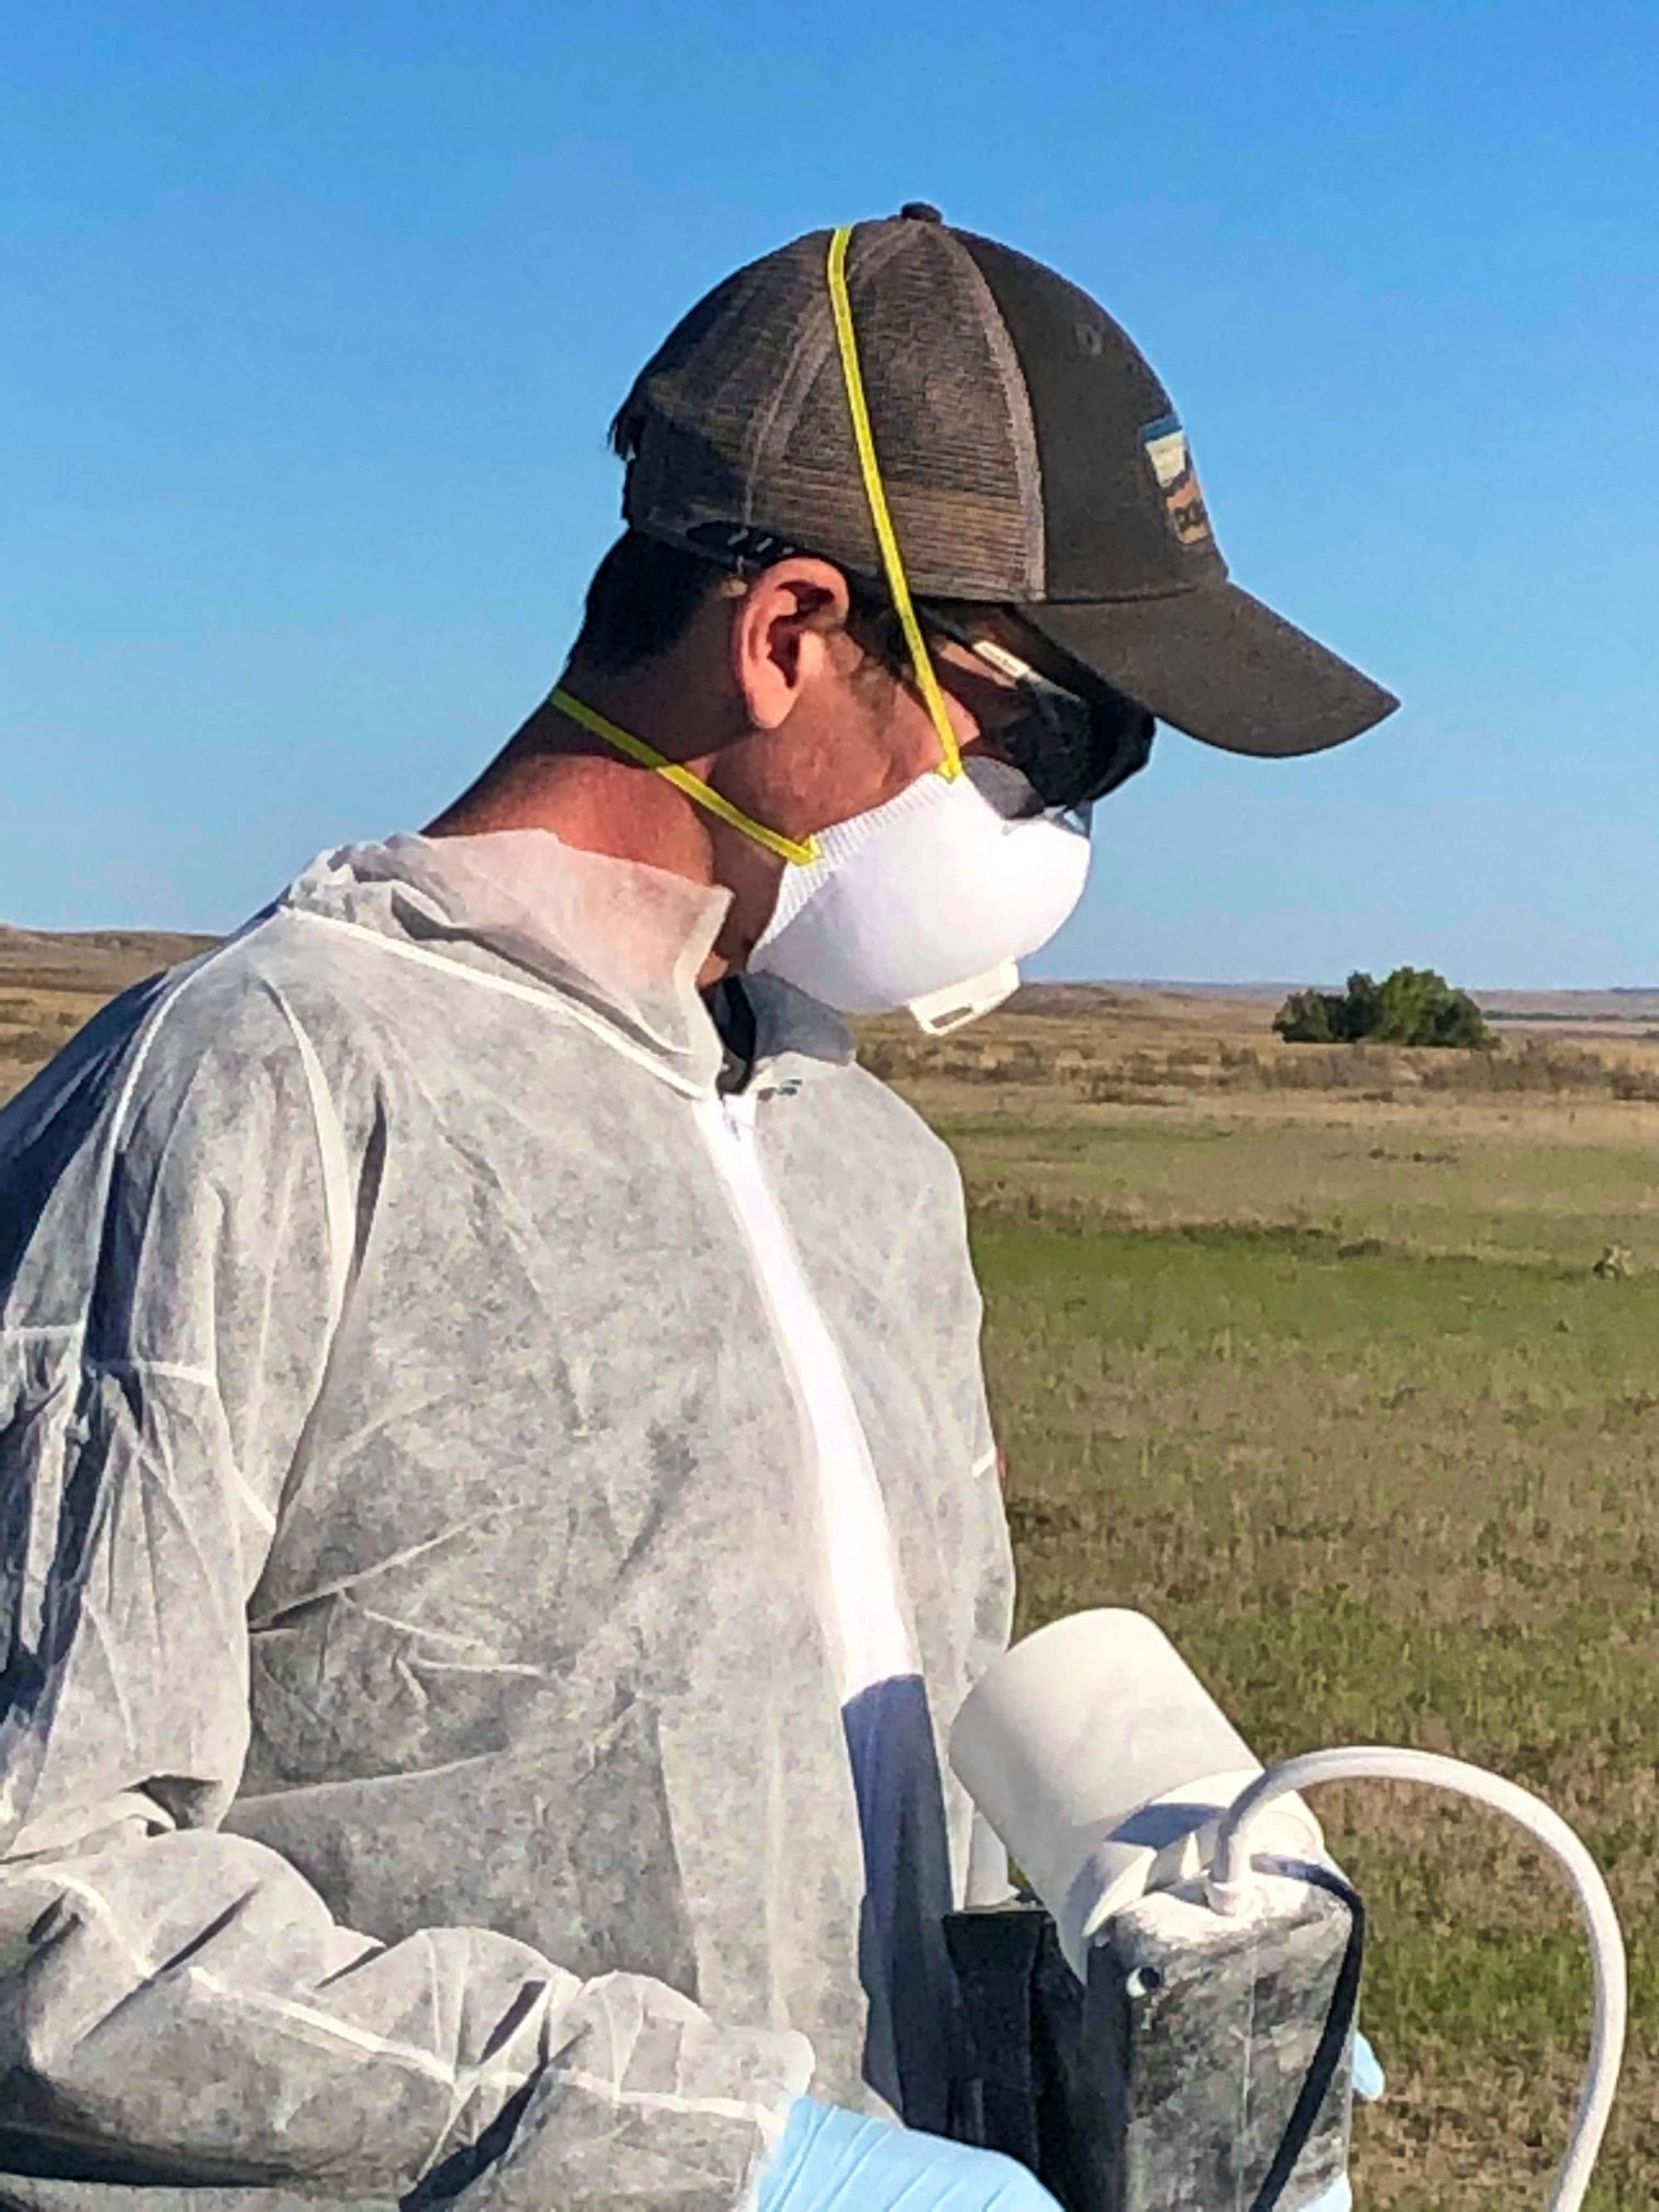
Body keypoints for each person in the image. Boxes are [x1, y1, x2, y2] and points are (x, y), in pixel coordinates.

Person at [0, 208, 1395, 2210]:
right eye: (1061, 735)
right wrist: (733, 2162)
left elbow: (873, 1886)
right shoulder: (262, 1087)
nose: (1070, 830)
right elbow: (43, 1903)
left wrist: (1141, 2037)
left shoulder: (865, 1165)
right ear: (788, 634)